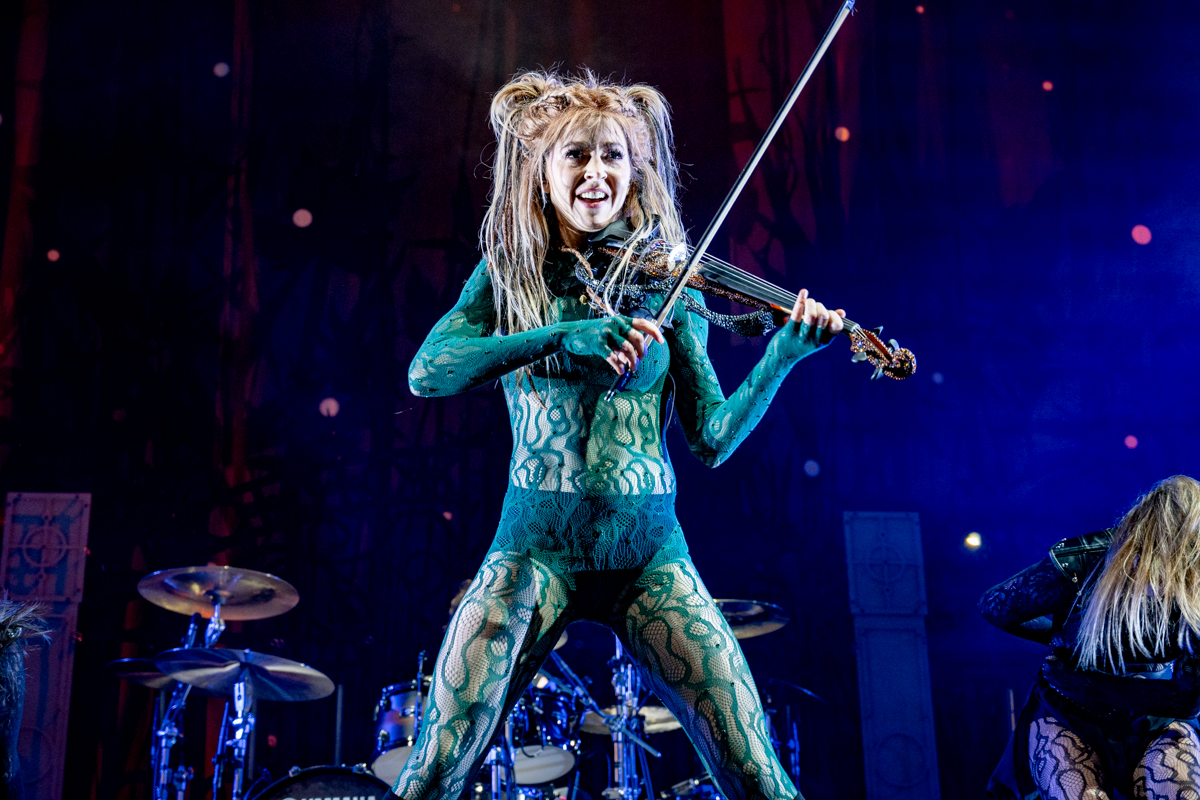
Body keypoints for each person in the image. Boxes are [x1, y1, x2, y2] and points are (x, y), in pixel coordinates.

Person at [396, 70, 845, 800]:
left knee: (758, 776)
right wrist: (560, 337)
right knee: (433, 774)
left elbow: (712, 439)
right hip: (534, 547)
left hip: (649, 554)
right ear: (542, 172)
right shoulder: (511, 273)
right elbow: (428, 373)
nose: (596, 172)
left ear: (635, 171)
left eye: (613, 155)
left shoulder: (671, 281)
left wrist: (781, 357)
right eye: (576, 155)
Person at [979, 475, 1200, 800]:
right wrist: (1066, 641)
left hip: (1154, 716)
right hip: (1072, 712)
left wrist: (1088, 681)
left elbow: (1189, 700)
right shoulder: (1082, 561)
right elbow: (996, 606)